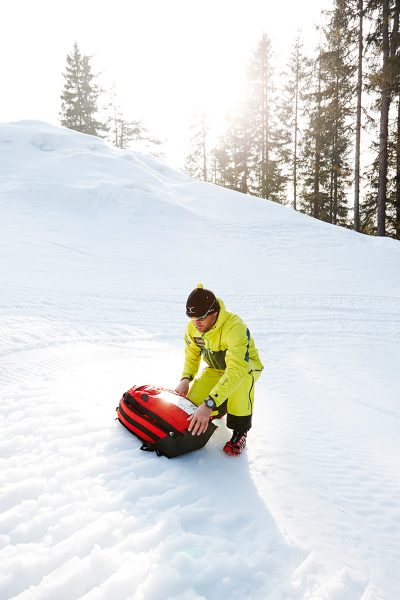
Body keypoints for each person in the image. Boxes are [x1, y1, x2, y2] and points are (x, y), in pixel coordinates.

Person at [175, 283, 263, 456]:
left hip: (244, 369)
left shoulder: (234, 327)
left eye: (200, 318)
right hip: (216, 369)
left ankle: (240, 432)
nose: (196, 323)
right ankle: (219, 406)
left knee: (240, 382)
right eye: (192, 319)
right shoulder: (194, 327)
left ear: (213, 313)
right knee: (192, 406)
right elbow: (192, 353)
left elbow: (236, 369)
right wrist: (186, 379)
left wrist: (209, 404)